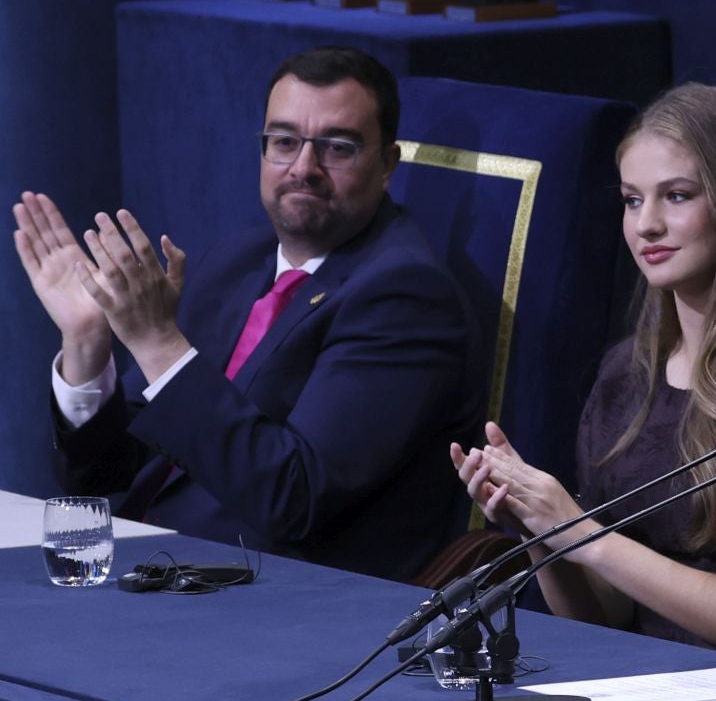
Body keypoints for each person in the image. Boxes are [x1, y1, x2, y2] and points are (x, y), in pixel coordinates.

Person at [17, 45, 479, 580]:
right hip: (153, 570)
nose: (304, 168)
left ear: (386, 165)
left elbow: (293, 499)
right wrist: (87, 343)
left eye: (337, 147)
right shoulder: (235, 260)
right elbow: (101, 473)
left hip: (275, 594)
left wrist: (157, 342)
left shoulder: (404, 296)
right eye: (284, 142)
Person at [452, 83, 716, 666]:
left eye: (677, 196)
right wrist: (540, 531)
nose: (647, 225)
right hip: (637, 681)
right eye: (632, 200)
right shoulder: (626, 374)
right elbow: (602, 618)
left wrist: (582, 534)